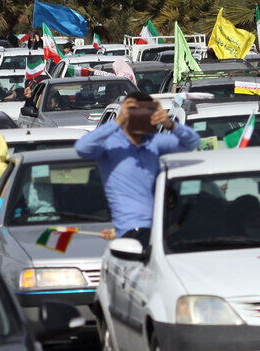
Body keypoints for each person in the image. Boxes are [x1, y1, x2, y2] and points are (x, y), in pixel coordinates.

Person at [75, 90, 199, 243]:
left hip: (163, 226)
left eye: (146, 115)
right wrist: (118, 121)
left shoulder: (154, 142)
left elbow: (192, 142)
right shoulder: (111, 145)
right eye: (137, 114)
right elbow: (82, 147)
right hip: (132, 229)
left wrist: (170, 124)